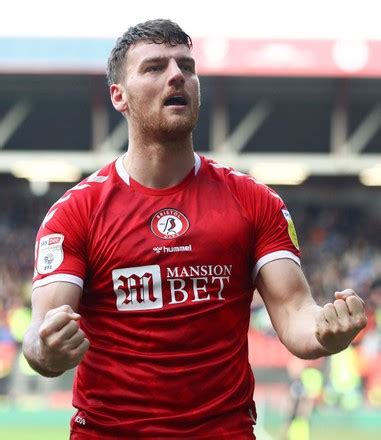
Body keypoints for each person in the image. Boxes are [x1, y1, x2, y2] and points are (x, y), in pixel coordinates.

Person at [22, 19, 367, 439]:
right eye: (154, 68)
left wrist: (328, 331)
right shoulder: (76, 213)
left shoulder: (255, 201)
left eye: (186, 66)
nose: (176, 76)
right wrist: (48, 349)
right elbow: (41, 335)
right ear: (119, 96)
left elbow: (297, 315)